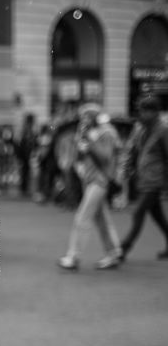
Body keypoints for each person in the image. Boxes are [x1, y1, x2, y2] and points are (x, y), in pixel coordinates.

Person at [58, 103, 123, 270]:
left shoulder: (106, 132)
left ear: (94, 116)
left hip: (99, 181)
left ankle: (73, 257)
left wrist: (90, 142)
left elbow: (105, 157)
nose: (83, 120)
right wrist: (83, 140)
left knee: (82, 217)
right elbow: (79, 157)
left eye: (86, 116)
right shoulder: (90, 133)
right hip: (89, 180)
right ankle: (114, 252)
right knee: (102, 220)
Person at [119, 94, 168, 260]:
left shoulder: (163, 130)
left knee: (138, 212)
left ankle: (123, 248)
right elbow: (133, 151)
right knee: (158, 217)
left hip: (155, 180)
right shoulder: (140, 129)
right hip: (143, 179)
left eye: (145, 111)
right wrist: (127, 169)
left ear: (155, 112)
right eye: (140, 111)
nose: (141, 114)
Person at [15, 113, 37, 197]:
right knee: (25, 172)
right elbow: (20, 143)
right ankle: (24, 188)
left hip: (26, 154)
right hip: (25, 155)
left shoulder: (28, 129)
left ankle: (25, 188)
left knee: (26, 172)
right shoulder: (26, 130)